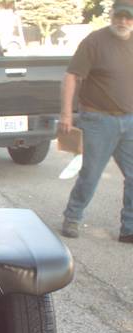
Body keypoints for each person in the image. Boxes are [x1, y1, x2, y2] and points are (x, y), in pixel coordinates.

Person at [59, 0, 133, 243]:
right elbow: (71, 77)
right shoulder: (94, 41)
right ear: (111, 14)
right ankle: (72, 217)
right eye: (119, 16)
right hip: (98, 120)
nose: (123, 21)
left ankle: (129, 228)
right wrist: (66, 114)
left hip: (130, 121)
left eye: (128, 17)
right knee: (91, 174)